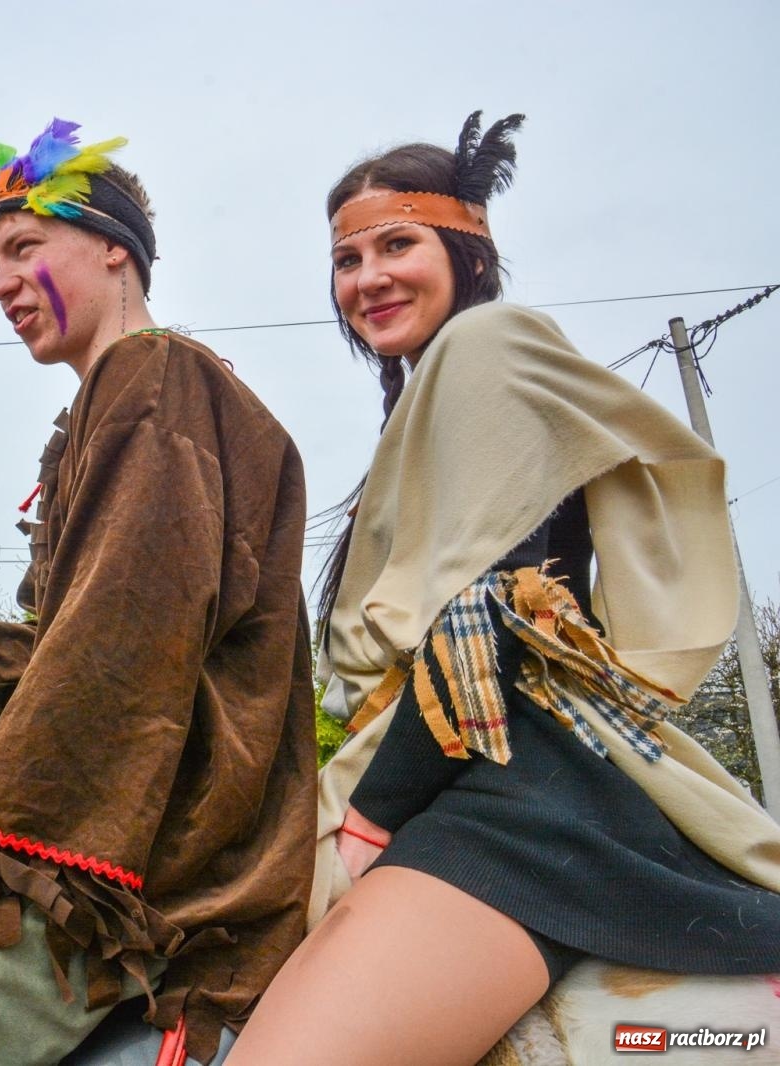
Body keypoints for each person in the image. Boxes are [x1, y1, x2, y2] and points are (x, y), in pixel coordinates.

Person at [230, 113, 780, 1066]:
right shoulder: (438, 393)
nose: (369, 279)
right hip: (484, 773)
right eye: (347, 259)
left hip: (516, 800)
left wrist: (365, 822)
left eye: (398, 244)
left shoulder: (487, 346)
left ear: (468, 251)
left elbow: (488, 622)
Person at [0, 119, 316, 1065]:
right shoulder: (120, 403)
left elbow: (122, 642)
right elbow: (80, 632)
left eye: (22, 248)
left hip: (149, 878)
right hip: (123, 833)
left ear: (115, 247)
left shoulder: (157, 380)